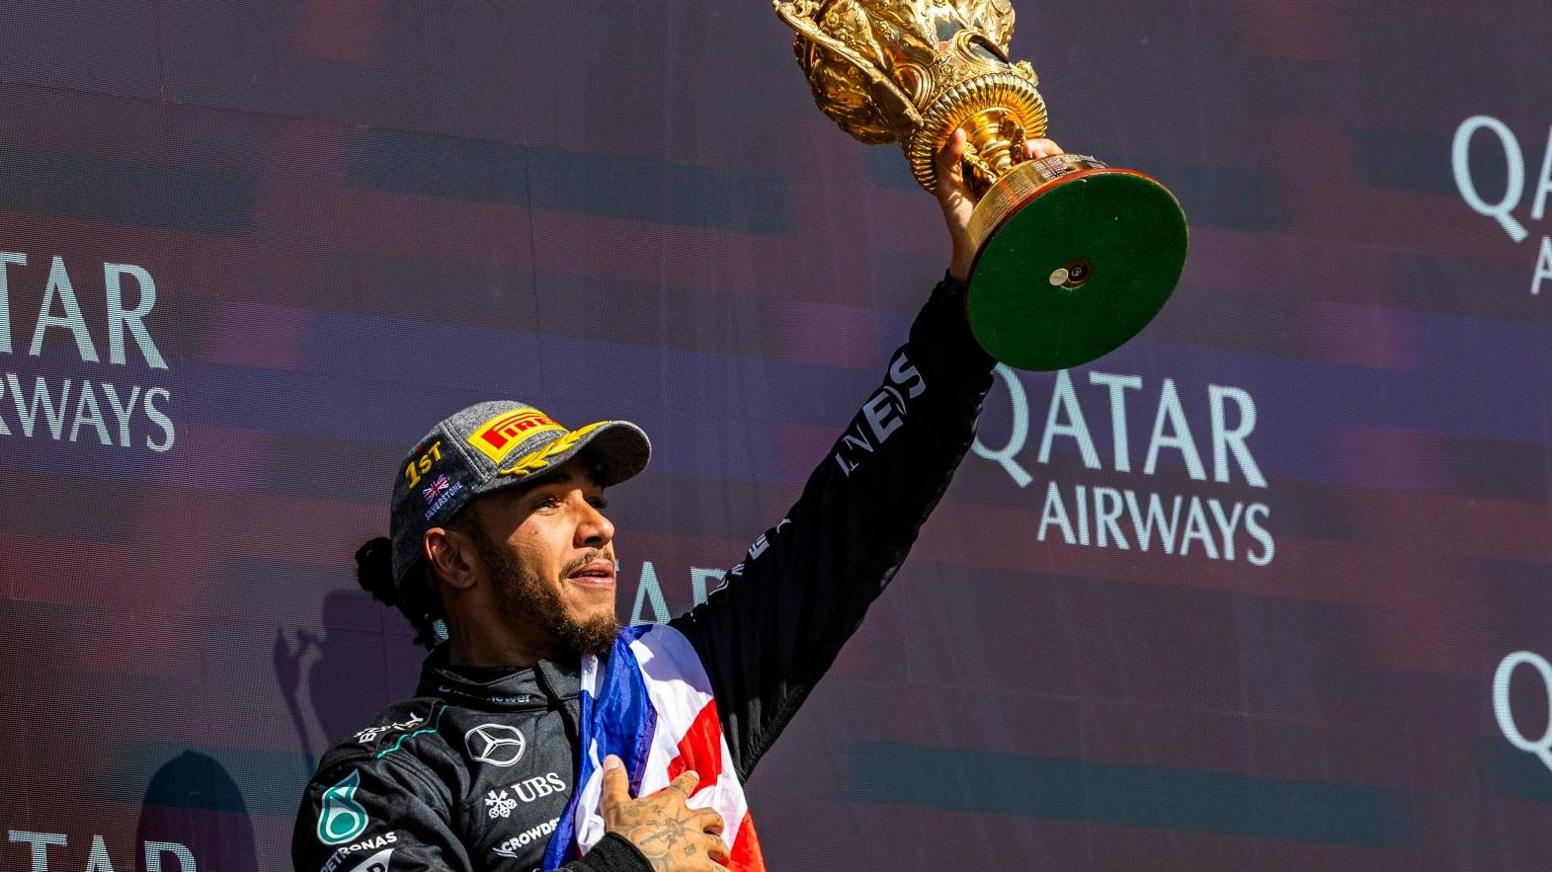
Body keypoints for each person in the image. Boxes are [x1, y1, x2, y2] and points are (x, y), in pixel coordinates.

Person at [292, 132, 1062, 872]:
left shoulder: (673, 681)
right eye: (551, 502)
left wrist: (971, 296)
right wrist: (628, 865)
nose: (599, 527)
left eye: (594, 498)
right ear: (454, 556)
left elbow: (854, 520)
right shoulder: (387, 779)